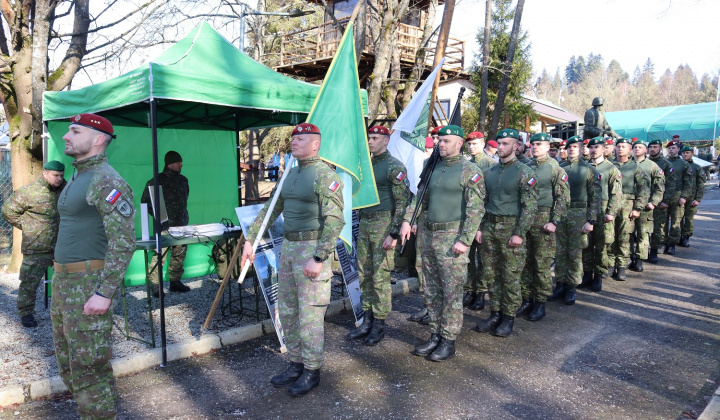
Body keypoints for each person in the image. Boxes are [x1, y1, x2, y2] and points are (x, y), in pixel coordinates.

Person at [241, 123, 343, 397]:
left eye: (301, 139)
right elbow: (270, 210)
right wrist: (250, 239)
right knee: (287, 311)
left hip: (312, 250)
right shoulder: (290, 174)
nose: (294, 142)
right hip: (288, 249)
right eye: (294, 138)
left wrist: (320, 257)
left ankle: (312, 371)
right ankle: (296, 364)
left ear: (316, 144)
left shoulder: (324, 175)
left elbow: (335, 221)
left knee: (310, 315)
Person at [52, 113, 136, 419]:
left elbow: (124, 241)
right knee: (70, 365)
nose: (66, 136)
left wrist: (104, 292)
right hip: (64, 283)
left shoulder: (107, 181)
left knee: (89, 367)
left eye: (74, 131)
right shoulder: (78, 175)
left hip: (87, 284)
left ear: (98, 139)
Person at [399, 125, 485, 361]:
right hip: (429, 236)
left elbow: (476, 210)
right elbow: (420, 199)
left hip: (452, 239)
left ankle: (448, 340)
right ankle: (435, 334)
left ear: (459, 143)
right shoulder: (434, 168)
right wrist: (408, 221)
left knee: (451, 292)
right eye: (439, 140)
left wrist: (465, 241)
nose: (441, 144)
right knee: (431, 289)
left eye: (446, 141)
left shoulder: (470, 170)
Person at [346, 126, 410, 346]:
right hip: (365, 222)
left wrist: (394, 233)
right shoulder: (366, 166)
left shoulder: (395, 166)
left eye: (374, 138)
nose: (370, 142)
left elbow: (403, 202)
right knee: (364, 273)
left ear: (386, 140)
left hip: (384, 223)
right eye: (369, 138)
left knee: (380, 276)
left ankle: (380, 324)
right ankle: (367, 319)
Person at [473, 128, 537, 337]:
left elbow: (530, 207)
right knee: (491, 274)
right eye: (499, 144)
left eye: (506, 144)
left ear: (516, 146)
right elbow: (482, 202)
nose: (501, 147)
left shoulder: (524, 172)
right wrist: (480, 228)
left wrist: (519, 233)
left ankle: (508, 318)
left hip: (511, 229)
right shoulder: (490, 172)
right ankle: (495, 313)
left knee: (510, 276)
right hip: (490, 228)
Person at [2, 160, 66, 327]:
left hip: (63, 246)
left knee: (67, 279)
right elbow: (8, 211)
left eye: (61, 175)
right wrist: (28, 227)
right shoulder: (29, 192)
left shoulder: (67, 190)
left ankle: (67, 310)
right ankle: (26, 313)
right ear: (45, 174)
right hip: (37, 247)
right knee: (29, 283)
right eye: (55, 175)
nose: (59, 178)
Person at [517, 132, 569, 322]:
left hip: (543, 219)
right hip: (525, 219)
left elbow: (563, 198)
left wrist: (554, 221)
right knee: (524, 262)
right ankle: (526, 298)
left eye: (539, 144)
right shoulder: (525, 168)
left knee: (541, 263)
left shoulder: (555, 169)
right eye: (533, 144)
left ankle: (540, 302)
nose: (535, 147)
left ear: (548, 147)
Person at [549, 135, 601, 304]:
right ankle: (560, 283)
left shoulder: (589, 170)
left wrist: (590, 220)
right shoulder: (559, 168)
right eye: (569, 147)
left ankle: (572, 286)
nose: (571, 150)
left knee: (575, 252)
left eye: (575, 147)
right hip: (560, 212)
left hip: (579, 213)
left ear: (581, 149)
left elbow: (595, 197)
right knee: (560, 251)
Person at [141, 151, 191, 296]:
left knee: (179, 254)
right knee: (159, 256)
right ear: (170, 164)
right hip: (164, 227)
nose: (181, 165)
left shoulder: (183, 180)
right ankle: (156, 285)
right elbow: (145, 202)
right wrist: (160, 217)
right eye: (178, 162)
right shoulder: (156, 181)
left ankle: (175, 282)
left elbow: (185, 198)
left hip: (181, 225)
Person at [580, 136, 622, 291]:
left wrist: (611, 212)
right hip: (586, 210)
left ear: (604, 149)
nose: (593, 150)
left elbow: (616, 193)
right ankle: (586, 273)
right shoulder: (584, 167)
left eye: (596, 147)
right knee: (586, 244)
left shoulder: (611, 168)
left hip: (603, 210)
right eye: (591, 147)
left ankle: (598, 275)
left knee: (601, 245)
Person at [609, 138, 650, 280]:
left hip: (628, 204)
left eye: (624, 146)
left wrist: (638, 208)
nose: (620, 149)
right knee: (610, 236)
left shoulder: (635, 167)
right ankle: (610, 264)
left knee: (624, 237)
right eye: (618, 146)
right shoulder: (609, 165)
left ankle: (621, 267)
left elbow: (643, 190)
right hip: (611, 204)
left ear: (629, 149)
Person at [463, 131, 495, 311]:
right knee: (467, 257)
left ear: (482, 144)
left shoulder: (490, 165)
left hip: (483, 217)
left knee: (483, 258)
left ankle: (481, 292)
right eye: (469, 144)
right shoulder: (466, 164)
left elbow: (490, 195)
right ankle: (469, 290)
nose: (471, 147)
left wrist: (482, 224)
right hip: (467, 216)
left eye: (475, 144)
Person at [630, 139, 665, 272]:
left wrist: (654, 202)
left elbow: (660, 187)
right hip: (628, 205)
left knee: (643, 234)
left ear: (645, 150)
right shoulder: (627, 164)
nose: (637, 149)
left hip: (645, 206)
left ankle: (639, 259)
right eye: (635, 147)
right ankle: (628, 257)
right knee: (627, 234)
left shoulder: (652, 166)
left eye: (640, 147)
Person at [663, 138, 694, 255]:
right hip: (664, 195)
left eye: (673, 148)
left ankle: (672, 244)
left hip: (677, 195)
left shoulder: (684, 164)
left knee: (676, 221)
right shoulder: (663, 162)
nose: (671, 150)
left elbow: (688, 182)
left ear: (678, 149)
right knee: (662, 221)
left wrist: (684, 197)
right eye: (669, 148)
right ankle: (663, 242)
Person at [680, 146, 707, 247]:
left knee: (688, 218)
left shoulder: (696, 167)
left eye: (687, 153)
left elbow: (701, 184)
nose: (685, 154)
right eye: (684, 153)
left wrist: (698, 199)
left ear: (692, 154)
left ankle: (686, 237)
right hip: (679, 196)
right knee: (677, 218)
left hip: (691, 198)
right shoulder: (679, 165)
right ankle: (678, 236)